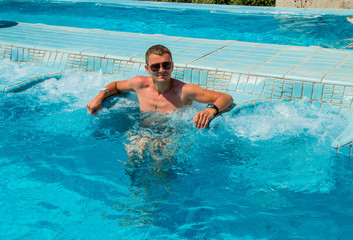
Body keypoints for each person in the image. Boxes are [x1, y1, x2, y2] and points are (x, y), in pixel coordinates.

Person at [86, 44, 233, 129]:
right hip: (143, 130)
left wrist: (211, 110)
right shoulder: (139, 83)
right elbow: (116, 85)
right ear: (147, 68)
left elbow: (226, 97)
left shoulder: (185, 90)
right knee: (132, 160)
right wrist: (99, 97)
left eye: (166, 65)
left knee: (160, 169)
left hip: (171, 134)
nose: (162, 70)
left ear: (172, 66)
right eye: (155, 66)